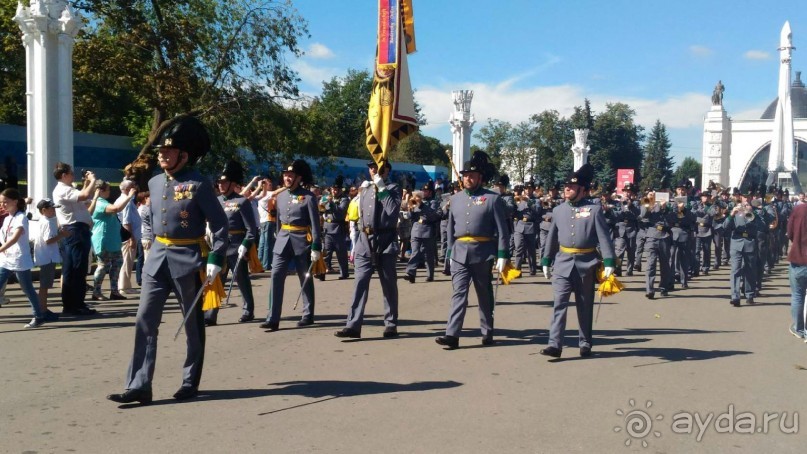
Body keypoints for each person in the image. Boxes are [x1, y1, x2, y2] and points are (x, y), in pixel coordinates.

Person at [107, 115, 227, 405]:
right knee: (144, 320)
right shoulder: (155, 181)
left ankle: (189, 381)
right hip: (157, 259)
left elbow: (220, 225)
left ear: (183, 155)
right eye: (160, 150)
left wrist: (215, 259)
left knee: (192, 324)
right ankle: (139, 385)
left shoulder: (199, 184)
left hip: (189, 258)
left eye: (168, 151)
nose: (161, 154)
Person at [539, 163, 616, 358]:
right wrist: (546, 260)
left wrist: (609, 262)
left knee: (584, 305)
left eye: (572, 187)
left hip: (586, 264)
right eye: (566, 186)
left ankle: (585, 342)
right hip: (562, 263)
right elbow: (552, 237)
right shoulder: (559, 210)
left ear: (582, 190)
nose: (567, 189)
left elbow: (604, 237)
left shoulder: (594, 210)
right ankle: (554, 344)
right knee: (559, 303)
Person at [435, 152, 510, 349]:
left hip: (483, 252)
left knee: (483, 294)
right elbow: (451, 229)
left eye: (472, 175)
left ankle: (487, 331)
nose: (468, 178)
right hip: (459, 252)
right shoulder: (456, 199)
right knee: (458, 294)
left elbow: (503, 230)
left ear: (480, 178)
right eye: (466, 175)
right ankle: (452, 334)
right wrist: (449, 253)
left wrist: (502, 255)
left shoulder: (492, 199)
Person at [335, 161, 402, 339]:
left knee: (388, 285)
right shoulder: (364, 189)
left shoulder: (393, 188)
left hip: (385, 240)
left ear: (387, 170)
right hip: (365, 240)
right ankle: (353, 325)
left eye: (379, 168)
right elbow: (361, 217)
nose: (374, 170)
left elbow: (392, 210)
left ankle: (391, 324)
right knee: (360, 283)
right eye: (372, 167)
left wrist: (382, 188)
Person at [258, 159, 321, 331]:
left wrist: (316, 246)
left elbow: (315, 225)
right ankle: (273, 317)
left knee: (304, 279)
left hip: (301, 241)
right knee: (276, 277)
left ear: (298, 178)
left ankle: (308, 314)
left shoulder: (308, 197)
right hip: (283, 240)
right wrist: (278, 237)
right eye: (285, 175)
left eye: (290, 175)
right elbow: (278, 222)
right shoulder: (281, 196)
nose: (286, 178)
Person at [205, 160, 258, 325]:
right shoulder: (217, 200)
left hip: (236, 246)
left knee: (241, 279)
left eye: (224, 182)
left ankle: (248, 310)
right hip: (219, 247)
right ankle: (211, 314)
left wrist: (246, 244)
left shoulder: (242, 202)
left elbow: (251, 229)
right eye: (219, 182)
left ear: (233, 183)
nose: (221, 185)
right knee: (215, 281)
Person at [52, 162, 98, 316]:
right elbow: (84, 196)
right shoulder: (62, 190)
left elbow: (84, 198)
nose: (73, 175)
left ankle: (72, 305)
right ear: (64, 175)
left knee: (72, 269)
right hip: (75, 230)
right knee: (78, 269)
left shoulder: (67, 189)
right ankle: (76, 305)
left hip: (75, 230)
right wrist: (92, 181)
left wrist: (86, 183)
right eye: (71, 173)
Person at [0, 188, 48, 328]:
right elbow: (5, 238)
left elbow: (15, 238)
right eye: (1, 202)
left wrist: (1, 249)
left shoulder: (21, 217)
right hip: (6, 260)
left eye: (5, 202)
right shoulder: (8, 218)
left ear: (15, 202)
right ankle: (39, 315)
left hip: (19, 259)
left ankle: (39, 316)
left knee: (28, 289)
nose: (2, 205)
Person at [89, 180, 135, 301]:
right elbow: (116, 209)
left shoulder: (103, 202)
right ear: (101, 191)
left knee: (117, 264)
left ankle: (114, 291)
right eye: (108, 189)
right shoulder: (99, 203)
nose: (110, 191)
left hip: (113, 240)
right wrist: (129, 196)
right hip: (103, 240)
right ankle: (96, 291)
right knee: (103, 265)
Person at [33, 198, 66, 321]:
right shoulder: (47, 222)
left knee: (45, 286)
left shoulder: (44, 220)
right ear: (44, 210)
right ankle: (42, 310)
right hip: (47, 257)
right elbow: (48, 240)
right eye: (51, 208)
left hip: (45, 256)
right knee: (44, 286)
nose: (54, 210)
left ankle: (43, 309)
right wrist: (62, 235)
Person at [404, 181, 441, 282]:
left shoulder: (433, 202)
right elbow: (411, 217)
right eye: (423, 190)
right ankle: (411, 272)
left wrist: (422, 205)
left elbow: (434, 216)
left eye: (426, 190)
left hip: (427, 231)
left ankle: (430, 274)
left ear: (430, 192)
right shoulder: (415, 201)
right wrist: (410, 208)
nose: (424, 192)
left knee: (428, 255)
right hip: (416, 230)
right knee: (415, 252)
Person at [321, 176, 350, 280]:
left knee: (341, 252)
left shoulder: (344, 199)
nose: (334, 191)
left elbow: (340, 211)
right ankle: (322, 272)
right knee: (326, 252)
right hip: (327, 228)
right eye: (333, 189)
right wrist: (322, 204)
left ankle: (344, 272)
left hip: (338, 228)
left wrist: (331, 203)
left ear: (340, 190)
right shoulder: (327, 198)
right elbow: (321, 209)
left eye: (336, 189)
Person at [787, 198, 807, 339]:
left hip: (799, 258)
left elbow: (790, 233)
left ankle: (799, 328)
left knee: (798, 296)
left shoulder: (799, 209)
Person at [117, 179, 142, 294]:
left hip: (130, 235)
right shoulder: (126, 201)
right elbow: (126, 221)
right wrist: (130, 237)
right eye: (132, 186)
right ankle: (123, 286)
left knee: (129, 261)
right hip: (128, 236)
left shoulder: (128, 200)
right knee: (127, 261)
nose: (135, 188)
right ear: (127, 189)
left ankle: (126, 285)